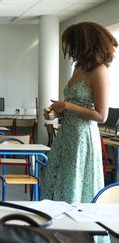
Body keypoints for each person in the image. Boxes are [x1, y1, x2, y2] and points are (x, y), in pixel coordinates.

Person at [42, 22, 118, 203]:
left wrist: (66, 106)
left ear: (86, 44)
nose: (70, 49)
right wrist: (55, 113)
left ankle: (73, 229)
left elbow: (101, 115)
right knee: (55, 181)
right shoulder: (78, 68)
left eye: (73, 44)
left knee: (73, 186)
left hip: (82, 138)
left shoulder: (99, 71)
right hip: (66, 135)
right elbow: (74, 105)